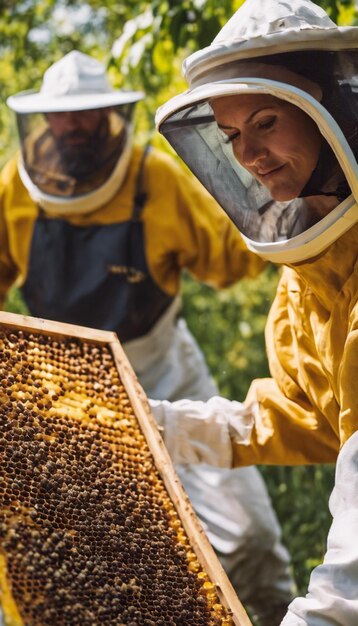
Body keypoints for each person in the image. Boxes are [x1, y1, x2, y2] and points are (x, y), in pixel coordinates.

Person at [0, 51, 296, 625]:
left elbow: (227, 260)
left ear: (111, 113)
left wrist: (286, 220)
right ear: (42, 120)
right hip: (61, 395)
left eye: (84, 114)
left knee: (249, 534)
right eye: (61, 116)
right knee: (82, 561)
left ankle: (278, 611)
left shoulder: (153, 178)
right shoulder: (14, 186)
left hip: (165, 372)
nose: (71, 127)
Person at [153, 0, 358, 624]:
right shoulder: (311, 274)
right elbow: (310, 415)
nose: (248, 155)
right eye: (233, 134)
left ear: (331, 113)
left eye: (266, 122)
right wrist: (154, 424)